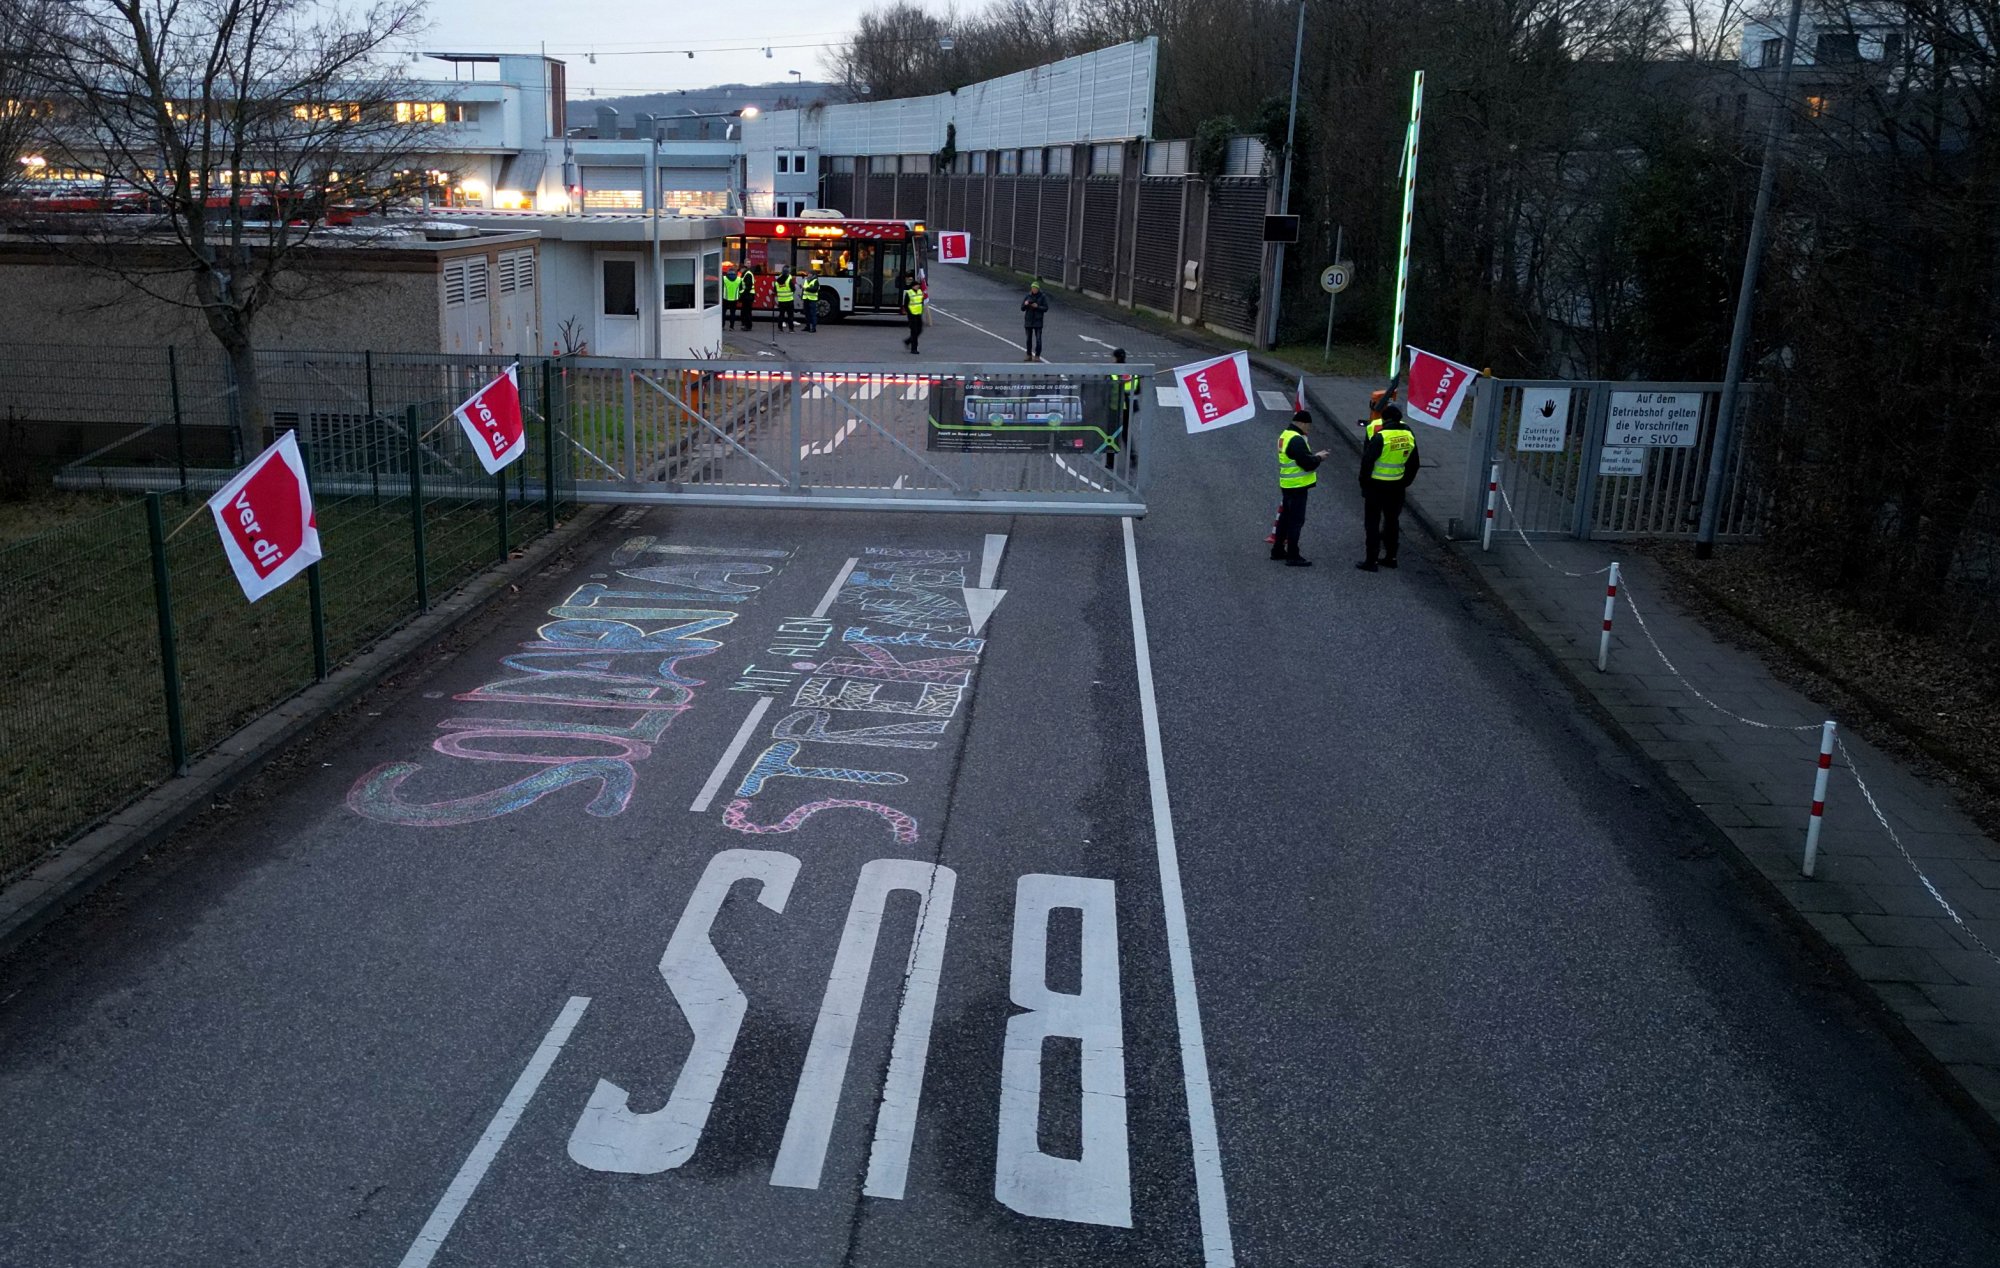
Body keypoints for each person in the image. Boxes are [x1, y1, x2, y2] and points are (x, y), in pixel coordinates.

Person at [1357, 402, 1421, 571]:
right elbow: (1414, 463)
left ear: (1384, 420)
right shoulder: (1409, 435)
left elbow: (1367, 462)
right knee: (1392, 522)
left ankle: (1371, 561)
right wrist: (1404, 482)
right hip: (1397, 488)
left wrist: (1364, 484)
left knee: (1372, 523)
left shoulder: (1381, 437)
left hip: (1376, 487)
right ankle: (1391, 557)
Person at [1272, 408, 1329, 567]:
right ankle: (1293, 555)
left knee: (1284, 519)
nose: (1308, 430)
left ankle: (1277, 550)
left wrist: (1313, 456)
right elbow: (1307, 464)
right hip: (1297, 486)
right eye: (1308, 426)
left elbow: (1297, 458)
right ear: (1303, 424)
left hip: (1287, 484)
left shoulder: (1285, 435)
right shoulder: (1296, 439)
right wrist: (1319, 457)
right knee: (1295, 521)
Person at [1108, 347, 1140, 471]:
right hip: (1130, 405)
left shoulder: (1112, 372)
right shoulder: (1132, 371)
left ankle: (1110, 462)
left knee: (1111, 433)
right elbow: (1137, 390)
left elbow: (1107, 389)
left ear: (1116, 358)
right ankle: (1132, 455)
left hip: (1116, 405)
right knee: (1125, 432)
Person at [1021, 281, 1048, 361]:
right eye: (1033, 288)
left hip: (1038, 321)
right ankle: (1028, 354)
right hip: (1029, 321)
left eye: (1035, 288)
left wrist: (1037, 306)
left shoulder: (1042, 297)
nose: (1034, 290)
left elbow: (1046, 308)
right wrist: (1025, 304)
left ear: (1038, 289)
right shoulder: (1028, 296)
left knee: (1038, 339)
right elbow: (1022, 308)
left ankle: (1037, 355)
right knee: (1028, 339)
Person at [901, 271, 926, 353]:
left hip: (918, 314)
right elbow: (906, 304)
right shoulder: (909, 293)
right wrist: (909, 312)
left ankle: (908, 341)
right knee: (914, 331)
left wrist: (921, 309)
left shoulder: (919, 292)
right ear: (913, 286)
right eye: (916, 285)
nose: (918, 286)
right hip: (912, 315)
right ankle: (914, 349)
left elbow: (921, 302)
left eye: (918, 285)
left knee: (920, 330)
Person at [720, 265, 743, 331]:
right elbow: (741, 289)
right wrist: (739, 297)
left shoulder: (724, 278)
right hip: (734, 299)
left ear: (728, 272)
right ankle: (731, 327)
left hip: (725, 298)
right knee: (732, 313)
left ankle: (722, 326)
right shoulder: (739, 279)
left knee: (723, 313)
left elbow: (721, 288)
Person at [774, 267, 796, 332]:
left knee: (781, 315)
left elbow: (774, 290)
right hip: (789, 300)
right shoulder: (789, 280)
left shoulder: (777, 281)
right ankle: (791, 329)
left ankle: (780, 328)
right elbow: (793, 289)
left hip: (781, 301)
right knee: (790, 316)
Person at [737, 264, 758, 330]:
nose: (740, 271)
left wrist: (742, 295)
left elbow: (748, 287)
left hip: (748, 295)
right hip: (747, 295)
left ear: (743, 268)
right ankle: (746, 325)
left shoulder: (748, 274)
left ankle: (748, 326)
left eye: (740, 270)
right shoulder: (746, 274)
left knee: (747, 311)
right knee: (745, 311)